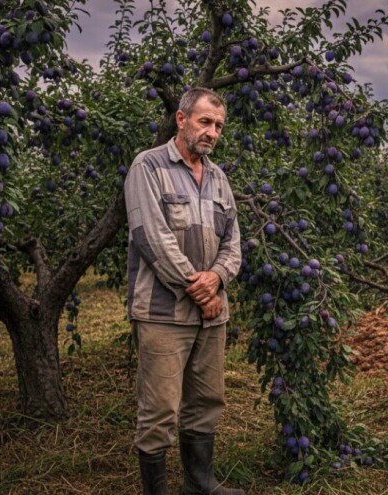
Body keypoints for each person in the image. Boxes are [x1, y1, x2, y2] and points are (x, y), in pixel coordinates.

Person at [124, 87, 243, 495]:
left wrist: (218, 278)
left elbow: (233, 243)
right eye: (205, 121)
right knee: (159, 410)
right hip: (163, 312)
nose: (212, 132)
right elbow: (151, 237)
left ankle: (199, 484)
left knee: (206, 401)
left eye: (219, 126)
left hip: (211, 316)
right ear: (181, 119)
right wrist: (201, 289)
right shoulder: (148, 167)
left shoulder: (219, 178)